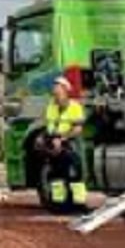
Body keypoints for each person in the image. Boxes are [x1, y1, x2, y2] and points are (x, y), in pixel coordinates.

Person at [34, 75, 87, 211]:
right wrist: (43, 138)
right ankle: (58, 205)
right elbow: (48, 125)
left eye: (58, 89)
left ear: (65, 91)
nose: (55, 93)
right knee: (56, 177)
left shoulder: (75, 107)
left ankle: (78, 205)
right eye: (54, 90)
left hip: (69, 144)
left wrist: (62, 139)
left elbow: (77, 129)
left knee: (74, 176)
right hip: (53, 144)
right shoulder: (51, 107)